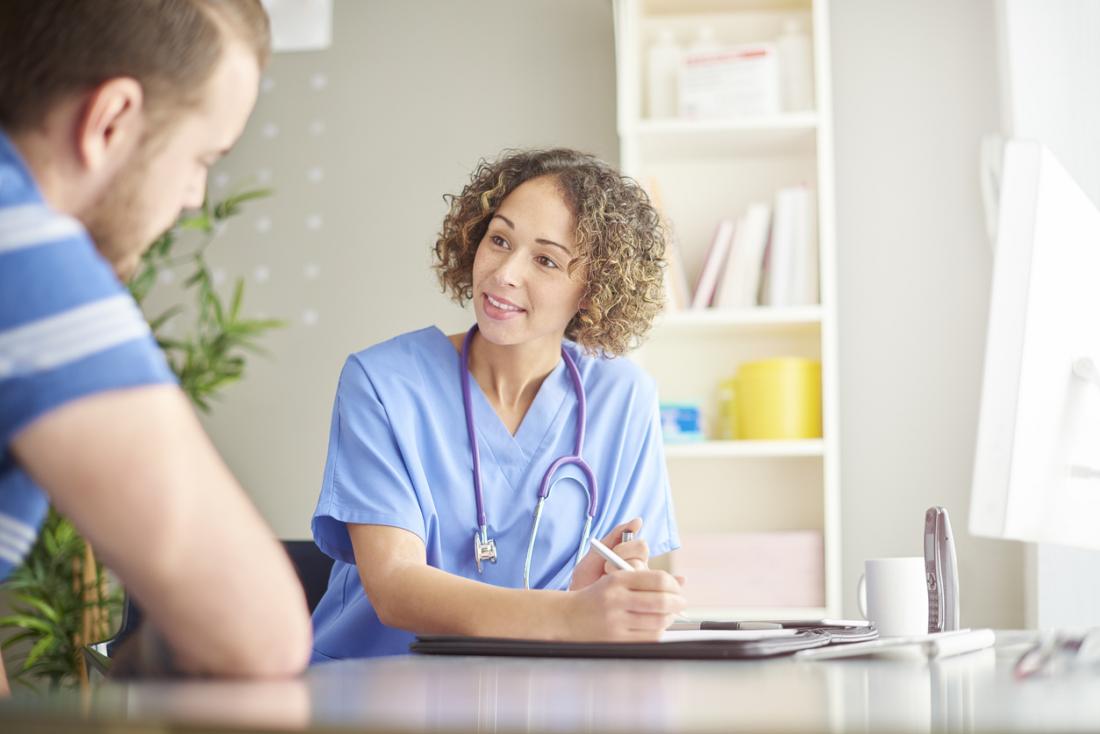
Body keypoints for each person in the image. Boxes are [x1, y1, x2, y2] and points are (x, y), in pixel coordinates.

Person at [0, 0, 312, 688]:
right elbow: (256, 636)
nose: (196, 197)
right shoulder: (22, 249)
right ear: (109, 120)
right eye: (202, 157)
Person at [310, 148, 686, 661]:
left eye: (546, 260)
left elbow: (625, 581)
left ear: (593, 290)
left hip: (535, 695)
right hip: (375, 689)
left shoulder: (623, 399)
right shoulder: (383, 383)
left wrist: (601, 595)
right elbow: (395, 587)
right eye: (500, 239)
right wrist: (569, 615)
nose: (505, 273)